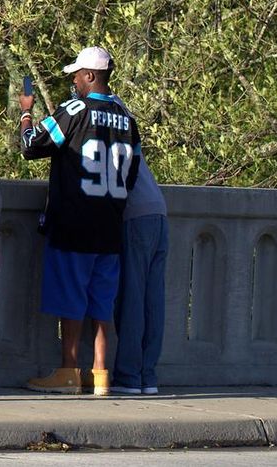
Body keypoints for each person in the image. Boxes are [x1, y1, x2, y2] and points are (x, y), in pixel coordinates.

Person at [20, 46, 142, 397]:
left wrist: (26, 115)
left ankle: (69, 371)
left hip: (73, 221)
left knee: (70, 298)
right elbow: (132, 172)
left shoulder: (74, 110)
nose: (73, 80)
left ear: (91, 76)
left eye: (77, 74)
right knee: (102, 303)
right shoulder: (126, 117)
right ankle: (101, 374)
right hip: (111, 226)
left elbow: (31, 146)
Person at [111, 153, 168, 395]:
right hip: (159, 213)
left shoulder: (105, 125)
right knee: (153, 299)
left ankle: (128, 375)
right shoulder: (125, 124)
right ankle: (148, 375)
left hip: (134, 215)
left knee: (131, 296)